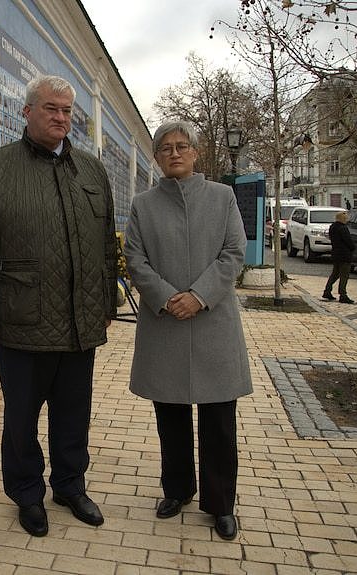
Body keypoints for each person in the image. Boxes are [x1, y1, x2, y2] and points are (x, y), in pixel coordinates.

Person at [0, 75, 116, 537]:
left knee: (74, 415)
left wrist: (105, 301)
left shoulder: (91, 171)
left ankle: (70, 485)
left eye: (67, 111)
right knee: (21, 419)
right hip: (20, 323)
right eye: (51, 108)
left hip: (77, 324)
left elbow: (106, 245)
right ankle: (27, 494)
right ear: (27, 112)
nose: (61, 117)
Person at [123, 120, 252, 542]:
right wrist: (164, 296)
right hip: (165, 324)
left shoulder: (222, 197)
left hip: (213, 323)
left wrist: (198, 296)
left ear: (196, 153)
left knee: (218, 422)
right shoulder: (144, 205)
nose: (174, 153)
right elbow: (135, 258)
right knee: (171, 418)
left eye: (182, 146)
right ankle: (176, 490)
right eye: (165, 148)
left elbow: (235, 252)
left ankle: (221, 505)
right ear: (157, 157)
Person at [322, 211, 355, 304]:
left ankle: (327, 291)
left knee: (335, 274)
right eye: (346, 218)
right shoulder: (343, 228)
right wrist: (353, 248)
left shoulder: (332, 227)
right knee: (344, 276)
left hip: (336, 254)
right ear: (343, 219)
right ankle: (343, 295)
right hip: (345, 255)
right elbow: (348, 241)